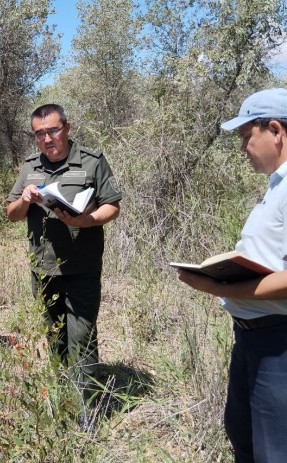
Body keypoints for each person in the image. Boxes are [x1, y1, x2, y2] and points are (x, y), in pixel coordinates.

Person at [178, 88, 287, 462]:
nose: (243, 149)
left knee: (274, 450)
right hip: (252, 339)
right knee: (245, 437)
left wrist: (216, 286)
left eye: (246, 138)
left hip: (278, 345)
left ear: (275, 130)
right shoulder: (277, 187)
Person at [6, 103, 122, 409]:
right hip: (43, 269)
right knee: (54, 337)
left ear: (66, 129)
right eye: (39, 134)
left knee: (81, 339)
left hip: (82, 267)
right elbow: (11, 213)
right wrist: (25, 199)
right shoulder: (30, 165)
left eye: (53, 131)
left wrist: (86, 220)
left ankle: (87, 412)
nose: (47, 139)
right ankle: (61, 403)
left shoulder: (92, 161)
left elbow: (112, 205)